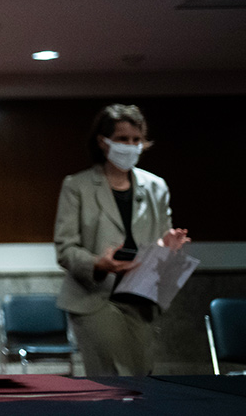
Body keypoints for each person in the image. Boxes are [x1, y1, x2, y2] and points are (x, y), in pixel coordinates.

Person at [54, 103, 190, 376]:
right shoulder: (77, 186)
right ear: (103, 142)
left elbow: (161, 238)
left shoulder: (156, 187)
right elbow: (65, 248)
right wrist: (98, 263)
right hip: (95, 297)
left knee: (142, 376)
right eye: (122, 139)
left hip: (141, 296)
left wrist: (168, 247)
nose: (130, 146)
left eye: (136, 139)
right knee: (114, 376)